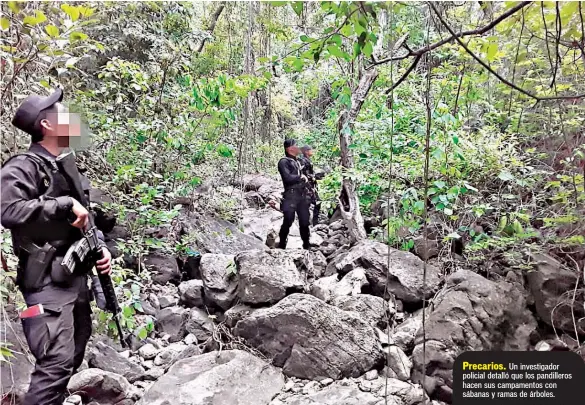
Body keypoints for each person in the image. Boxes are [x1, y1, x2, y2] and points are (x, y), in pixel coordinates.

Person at [0, 88, 112, 405]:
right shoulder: (24, 166)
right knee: (56, 363)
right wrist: (62, 205)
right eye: (65, 114)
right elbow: (6, 210)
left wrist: (99, 248)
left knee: (74, 351)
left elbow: (83, 217)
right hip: (45, 279)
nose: (72, 119)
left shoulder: (62, 164)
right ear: (47, 125)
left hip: (73, 276)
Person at [277, 139, 311, 249]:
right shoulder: (283, 162)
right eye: (296, 145)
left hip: (301, 195)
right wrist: (300, 177)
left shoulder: (297, 161)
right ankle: (282, 245)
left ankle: (307, 245)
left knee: (305, 221)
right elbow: (287, 178)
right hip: (290, 196)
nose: (298, 147)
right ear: (290, 148)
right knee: (288, 220)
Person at [299, 145, 322, 226]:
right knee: (309, 203)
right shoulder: (302, 161)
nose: (312, 151)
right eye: (310, 150)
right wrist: (313, 177)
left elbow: (310, 172)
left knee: (316, 203)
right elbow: (302, 174)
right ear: (306, 151)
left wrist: (316, 176)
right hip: (307, 187)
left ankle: (314, 222)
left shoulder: (307, 160)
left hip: (312, 186)